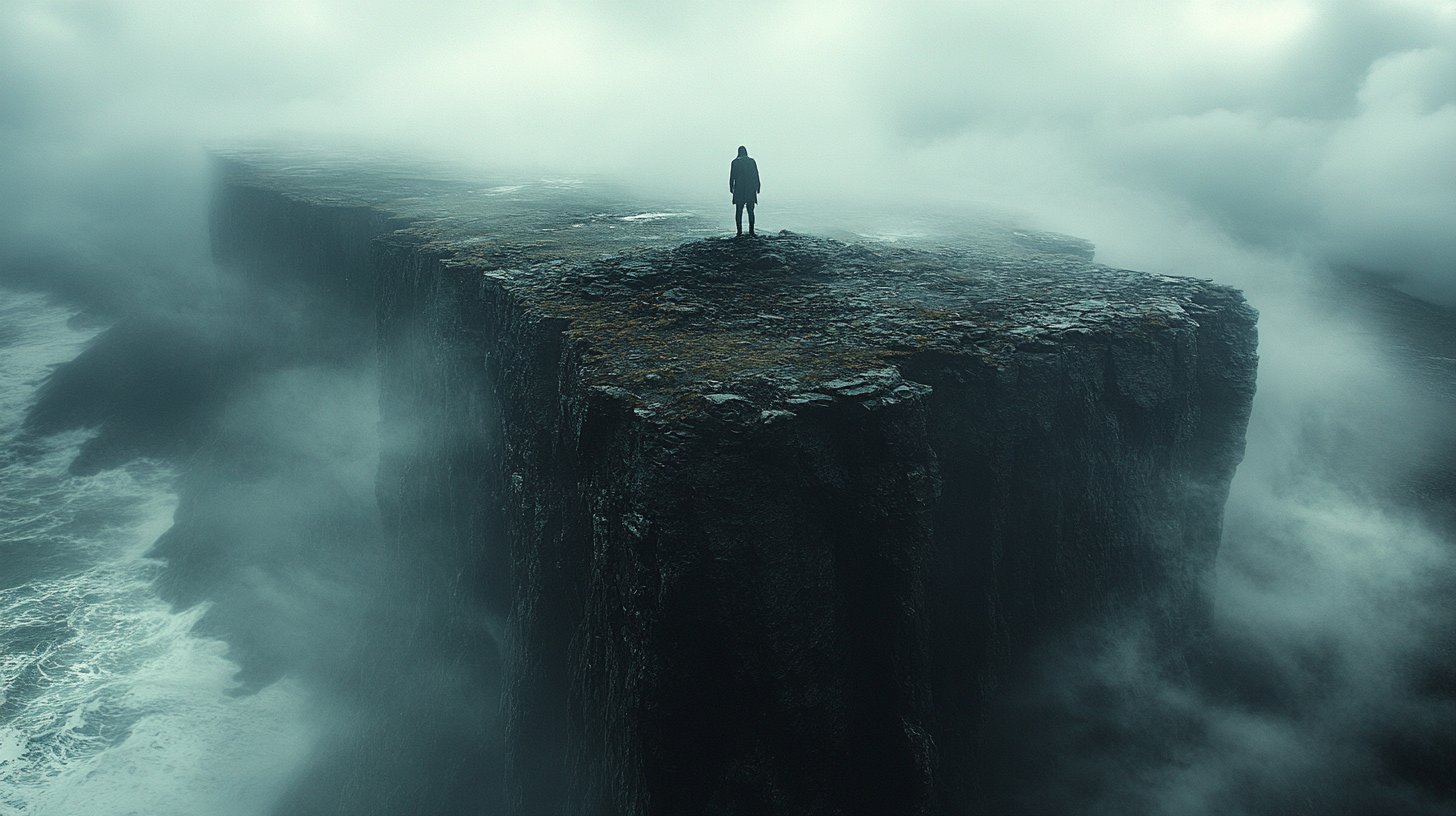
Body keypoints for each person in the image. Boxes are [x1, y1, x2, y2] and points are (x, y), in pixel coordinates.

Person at [729, 146, 760, 237]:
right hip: (750, 188)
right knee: (750, 210)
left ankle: (739, 231)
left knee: (739, 210)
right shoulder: (751, 161)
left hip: (739, 188)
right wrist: (758, 186)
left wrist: (731, 187)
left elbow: (732, 176)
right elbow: (756, 174)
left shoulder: (735, 162)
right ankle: (751, 231)